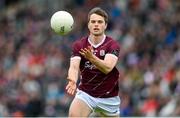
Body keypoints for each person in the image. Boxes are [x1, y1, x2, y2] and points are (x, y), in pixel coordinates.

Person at [65, 7, 121, 117]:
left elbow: (107, 68)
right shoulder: (80, 45)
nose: (96, 24)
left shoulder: (112, 45)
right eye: (93, 21)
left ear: (105, 25)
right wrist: (72, 80)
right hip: (86, 94)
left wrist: (92, 58)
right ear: (88, 24)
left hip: (109, 98)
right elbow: (74, 67)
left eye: (100, 22)